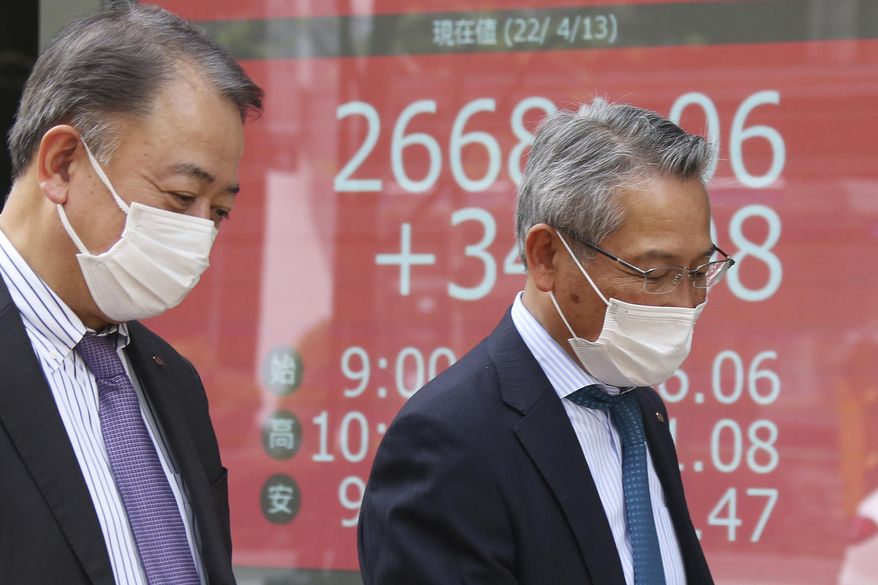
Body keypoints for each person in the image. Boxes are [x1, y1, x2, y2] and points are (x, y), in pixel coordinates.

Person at [358, 98, 729, 584]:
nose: (685, 302)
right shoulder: (448, 440)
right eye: (655, 273)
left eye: (700, 271)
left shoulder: (638, 408)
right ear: (547, 257)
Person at [0, 4, 262, 584]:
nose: (198, 234)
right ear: (63, 163)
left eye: (218, 212)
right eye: (178, 197)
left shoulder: (173, 381)